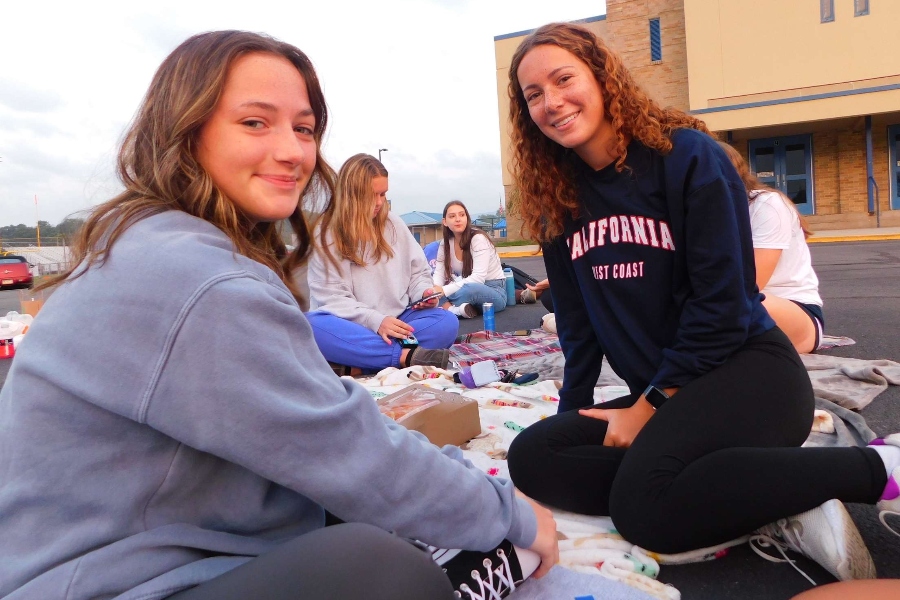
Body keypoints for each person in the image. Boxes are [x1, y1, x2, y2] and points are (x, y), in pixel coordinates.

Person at [0, 31, 559, 600]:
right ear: (183, 132)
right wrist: (506, 511)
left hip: (172, 530)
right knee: (380, 568)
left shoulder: (157, 243)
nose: (292, 151)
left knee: (374, 489)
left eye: (305, 127)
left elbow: (412, 289)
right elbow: (345, 444)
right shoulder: (199, 278)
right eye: (255, 123)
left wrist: (423, 302)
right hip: (104, 580)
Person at [502, 22, 899, 583]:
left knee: (645, 511)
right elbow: (578, 322)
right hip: (667, 399)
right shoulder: (558, 198)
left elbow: (723, 308)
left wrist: (646, 409)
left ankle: (874, 467)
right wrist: (577, 411)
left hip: (748, 378)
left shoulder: (686, 157)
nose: (551, 102)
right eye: (533, 95)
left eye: (563, 79)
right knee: (536, 457)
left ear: (602, 75)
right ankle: (753, 493)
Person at [306, 154, 458, 371]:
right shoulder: (326, 231)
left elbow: (417, 273)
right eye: (372, 195)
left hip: (398, 321)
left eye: (383, 194)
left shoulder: (393, 223)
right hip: (353, 326)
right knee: (313, 325)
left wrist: (423, 293)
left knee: (446, 323)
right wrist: (376, 321)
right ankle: (406, 357)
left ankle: (362, 362)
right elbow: (332, 299)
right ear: (351, 194)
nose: (379, 202)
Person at [718, 141, 824, 354]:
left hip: (794, 310)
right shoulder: (705, 213)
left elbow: (751, 285)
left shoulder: (766, 205)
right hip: (738, 311)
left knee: (728, 306)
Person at [431, 200, 508, 318]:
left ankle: (447, 308)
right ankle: (457, 310)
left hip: (492, 290)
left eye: (462, 215)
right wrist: (435, 289)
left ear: (467, 218)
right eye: (452, 216)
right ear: (445, 222)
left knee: (469, 290)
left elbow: (478, 279)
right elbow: (439, 272)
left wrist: (443, 291)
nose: (458, 219)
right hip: (465, 285)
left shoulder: (478, 239)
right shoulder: (445, 244)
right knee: (430, 292)